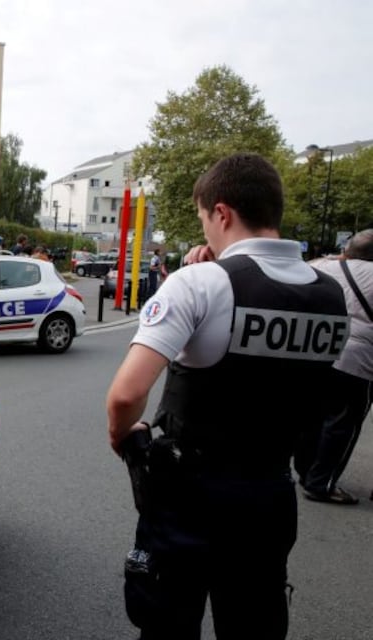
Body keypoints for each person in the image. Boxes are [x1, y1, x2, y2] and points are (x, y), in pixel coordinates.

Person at [106, 153, 349, 640]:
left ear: (221, 212)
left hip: (190, 496)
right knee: (254, 622)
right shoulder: (330, 294)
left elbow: (126, 395)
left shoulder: (199, 283)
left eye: (204, 218)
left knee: (167, 623)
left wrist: (122, 436)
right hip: (269, 495)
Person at [294, 229, 373, 505]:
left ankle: (306, 471)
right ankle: (322, 482)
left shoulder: (319, 266)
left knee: (312, 416)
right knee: (343, 423)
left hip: (315, 351)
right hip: (356, 360)